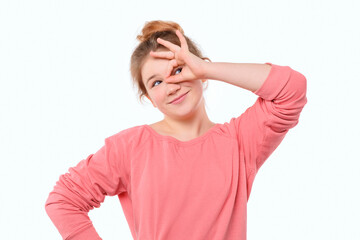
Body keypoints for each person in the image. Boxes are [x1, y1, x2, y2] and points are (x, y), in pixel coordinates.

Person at [45, 20, 307, 240]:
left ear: (200, 71)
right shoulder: (129, 147)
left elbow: (291, 90)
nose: (171, 86)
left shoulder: (240, 141)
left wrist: (209, 69)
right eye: (157, 82)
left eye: (179, 70)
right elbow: (64, 200)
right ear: (149, 97)